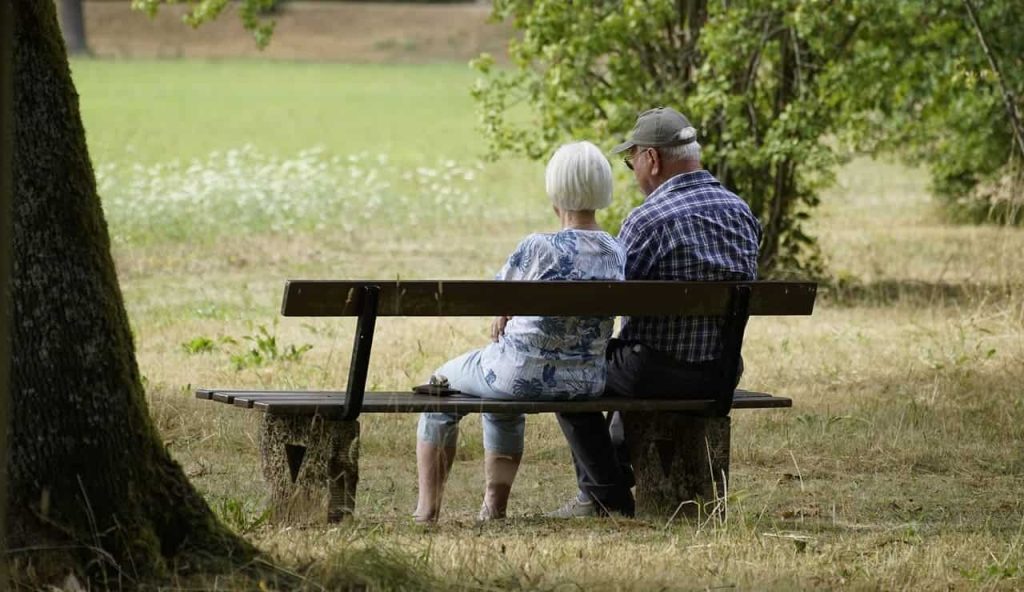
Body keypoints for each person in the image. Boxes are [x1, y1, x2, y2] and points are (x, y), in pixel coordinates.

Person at [548, 107, 762, 518]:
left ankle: (604, 494)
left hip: (654, 373)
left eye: (631, 163)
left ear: (652, 158)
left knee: (568, 370)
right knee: (625, 360)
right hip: (721, 372)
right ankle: (614, 471)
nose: (633, 173)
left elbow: (609, 302)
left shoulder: (647, 220)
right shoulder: (742, 213)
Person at [414, 141, 626, 523]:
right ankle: (493, 508)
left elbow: (495, 297)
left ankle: (426, 510)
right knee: (499, 395)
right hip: (585, 382)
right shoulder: (616, 251)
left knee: (440, 385)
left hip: (518, 375)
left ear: (555, 191)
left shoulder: (538, 247)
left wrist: (504, 312)